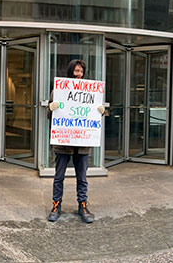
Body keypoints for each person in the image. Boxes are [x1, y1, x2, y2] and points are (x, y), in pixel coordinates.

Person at [47, 59, 105, 223]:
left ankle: (83, 206)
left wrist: (101, 112)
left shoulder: (90, 93)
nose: (78, 74)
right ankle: (56, 205)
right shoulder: (58, 91)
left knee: (82, 178)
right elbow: (49, 115)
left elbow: (93, 115)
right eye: (76, 70)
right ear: (70, 71)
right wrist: (51, 108)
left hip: (82, 144)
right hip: (63, 143)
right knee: (59, 177)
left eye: (80, 71)